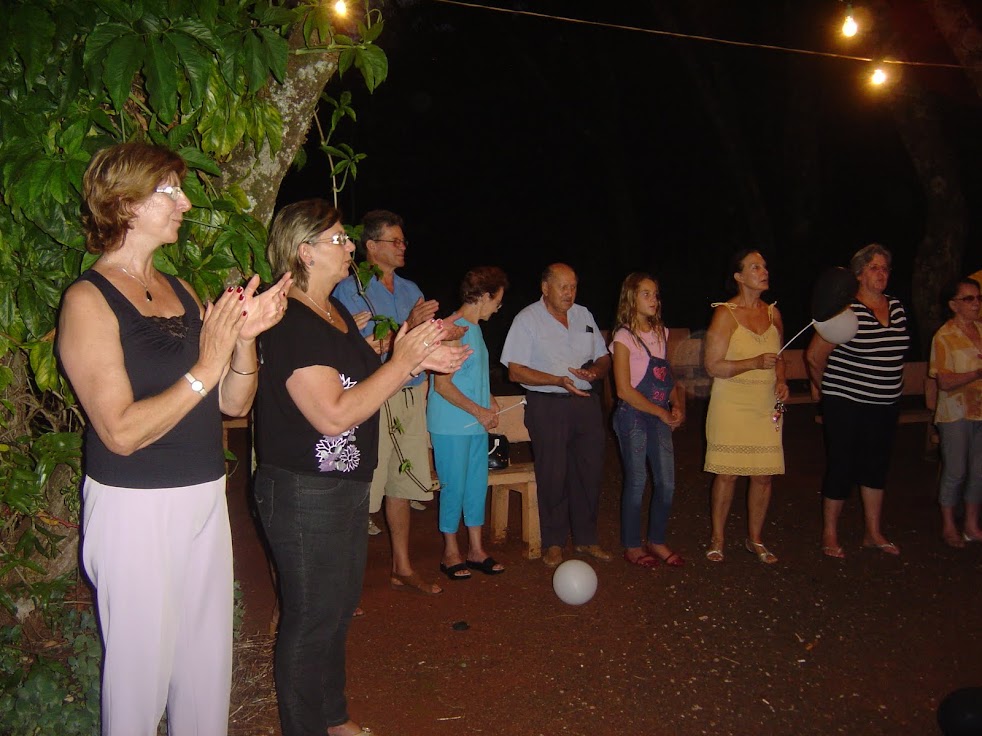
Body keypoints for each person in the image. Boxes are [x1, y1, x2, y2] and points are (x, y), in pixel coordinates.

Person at [56, 141, 291, 735]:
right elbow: (120, 432)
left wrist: (242, 340)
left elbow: (233, 403)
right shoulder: (88, 301)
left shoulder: (184, 290)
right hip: (135, 506)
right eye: (171, 191)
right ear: (126, 203)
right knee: (139, 677)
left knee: (206, 667)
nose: (186, 202)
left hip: (203, 494)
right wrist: (206, 366)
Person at [253, 199, 469, 736]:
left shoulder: (335, 313)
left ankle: (333, 716)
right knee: (311, 619)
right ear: (305, 252)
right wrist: (401, 362)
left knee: (337, 607)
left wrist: (415, 356)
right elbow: (332, 414)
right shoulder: (292, 320)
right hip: (304, 489)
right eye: (338, 240)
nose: (351, 247)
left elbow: (367, 373)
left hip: (343, 483)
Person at [333, 209, 449, 594]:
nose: (403, 247)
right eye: (394, 241)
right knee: (363, 485)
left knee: (403, 479)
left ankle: (402, 565)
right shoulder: (348, 290)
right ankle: (345, 583)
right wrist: (408, 327)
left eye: (403, 241)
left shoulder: (411, 289)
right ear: (370, 246)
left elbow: (422, 343)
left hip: (410, 394)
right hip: (371, 395)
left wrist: (439, 333)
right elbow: (347, 353)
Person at [500, 263, 613, 568]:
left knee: (589, 471)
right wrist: (556, 379)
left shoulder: (583, 315)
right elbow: (515, 370)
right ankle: (553, 542)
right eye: (563, 286)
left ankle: (587, 538)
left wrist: (595, 371)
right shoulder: (527, 320)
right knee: (553, 474)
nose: (569, 293)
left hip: (586, 403)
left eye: (574, 286)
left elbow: (604, 355)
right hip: (547, 405)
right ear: (545, 288)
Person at [806, 243, 910, 558]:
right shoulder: (844, 310)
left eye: (885, 268)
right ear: (859, 274)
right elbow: (813, 357)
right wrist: (827, 394)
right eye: (875, 267)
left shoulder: (897, 307)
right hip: (847, 402)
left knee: (877, 465)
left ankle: (873, 532)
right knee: (842, 465)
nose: (882, 273)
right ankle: (830, 533)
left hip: (886, 401)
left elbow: (897, 354)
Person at [703, 250, 788, 564]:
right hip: (731, 404)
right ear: (739, 277)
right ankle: (717, 538)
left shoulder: (773, 314)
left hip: (765, 405)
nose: (763, 270)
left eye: (764, 265)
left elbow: (781, 359)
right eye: (755, 267)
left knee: (763, 475)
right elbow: (712, 365)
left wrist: (781, 379)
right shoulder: (725, 314)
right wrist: (753, 362)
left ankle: (755, 538)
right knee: (727, 474)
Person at [428, 266, 510, 580]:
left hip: (474, 424)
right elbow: (443, 386)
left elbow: (470, 377)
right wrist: (478, 410)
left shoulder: (474, 328)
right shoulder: (454, 328)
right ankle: (450, 551)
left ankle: (476, 549)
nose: (498, 307)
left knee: (476, 485)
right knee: (454, 487)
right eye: (497, 300)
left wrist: (488, 401)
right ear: (485, 296)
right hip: (450, 424)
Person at [609, 273, 686, 568]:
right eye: (646, 294)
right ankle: (631, 544)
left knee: (667, 482)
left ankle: (656, 539)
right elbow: (623, 389)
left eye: (655, 294)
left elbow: (669, 375)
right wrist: (662, 412)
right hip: (634, 417)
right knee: (638, 480)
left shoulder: (662, 333)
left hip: (658, 415)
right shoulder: (623, 338)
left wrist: (676, 404)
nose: (653, 299)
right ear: (631, 298)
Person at [928, 277, 982, 547]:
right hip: (956, 412)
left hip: (981, 411)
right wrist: (977, 373)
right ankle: (949, 524)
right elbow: (944, 381)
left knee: (979, 470)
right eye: (968, 299)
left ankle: (972, 524)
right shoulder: (944, 336)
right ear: (953, 305)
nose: (976, 304)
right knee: (956, 469)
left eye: (978, 298)